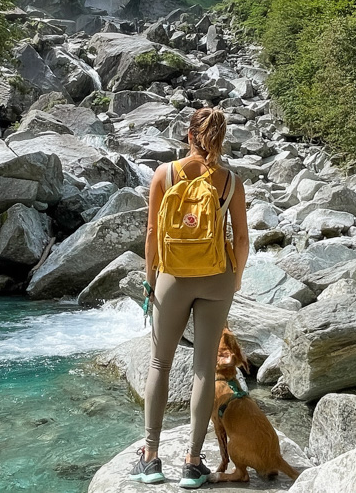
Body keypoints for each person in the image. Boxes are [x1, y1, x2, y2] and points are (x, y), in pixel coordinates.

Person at [129, 107, 249, 489]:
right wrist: (237, 279)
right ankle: (193, 464)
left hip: (174, 277)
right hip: (217, 278)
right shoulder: (231, 181)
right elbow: (242, 239)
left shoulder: (165, 174)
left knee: (160, 363)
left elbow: (151, 234)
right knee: (203, 368)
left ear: (188, 135)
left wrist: (151, 282)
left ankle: (150, 458)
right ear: (220, 138)